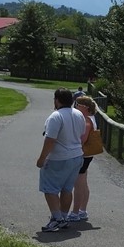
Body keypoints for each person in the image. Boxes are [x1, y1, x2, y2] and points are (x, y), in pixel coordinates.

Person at [36, 88, 85, 232]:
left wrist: (42, 158)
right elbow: (81, 134)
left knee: (49, 189)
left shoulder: (56, 116)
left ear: (57, 100)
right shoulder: (79, 114)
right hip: (77, 156)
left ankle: (57, 219)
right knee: (67, 189)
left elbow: (50, 139)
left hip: (59, 158)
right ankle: (63, 217)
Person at [68, 95, 100, 222]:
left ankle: (75, 212)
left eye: (77, 105)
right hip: (87, 155)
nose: (75, 107)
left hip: (83, 155)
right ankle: (83, 210)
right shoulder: (91, 118)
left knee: (79, 184)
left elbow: (82, 139)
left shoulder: (86, 120)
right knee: (83, 183)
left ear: (85, 107)